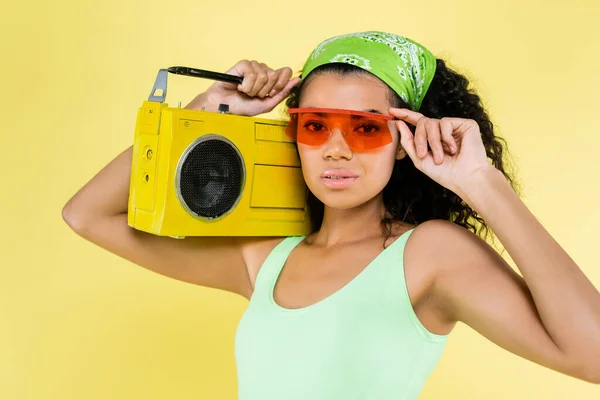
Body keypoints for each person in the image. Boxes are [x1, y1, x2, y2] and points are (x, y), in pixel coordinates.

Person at [62, 31, 600, 399]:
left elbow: (593, 356)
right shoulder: (266, 257)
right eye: (316, 125)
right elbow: (87, 215)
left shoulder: (430, 255)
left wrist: (484, 184)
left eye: (364, 128)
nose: (335, 150)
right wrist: (208, 107)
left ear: (402, 140)